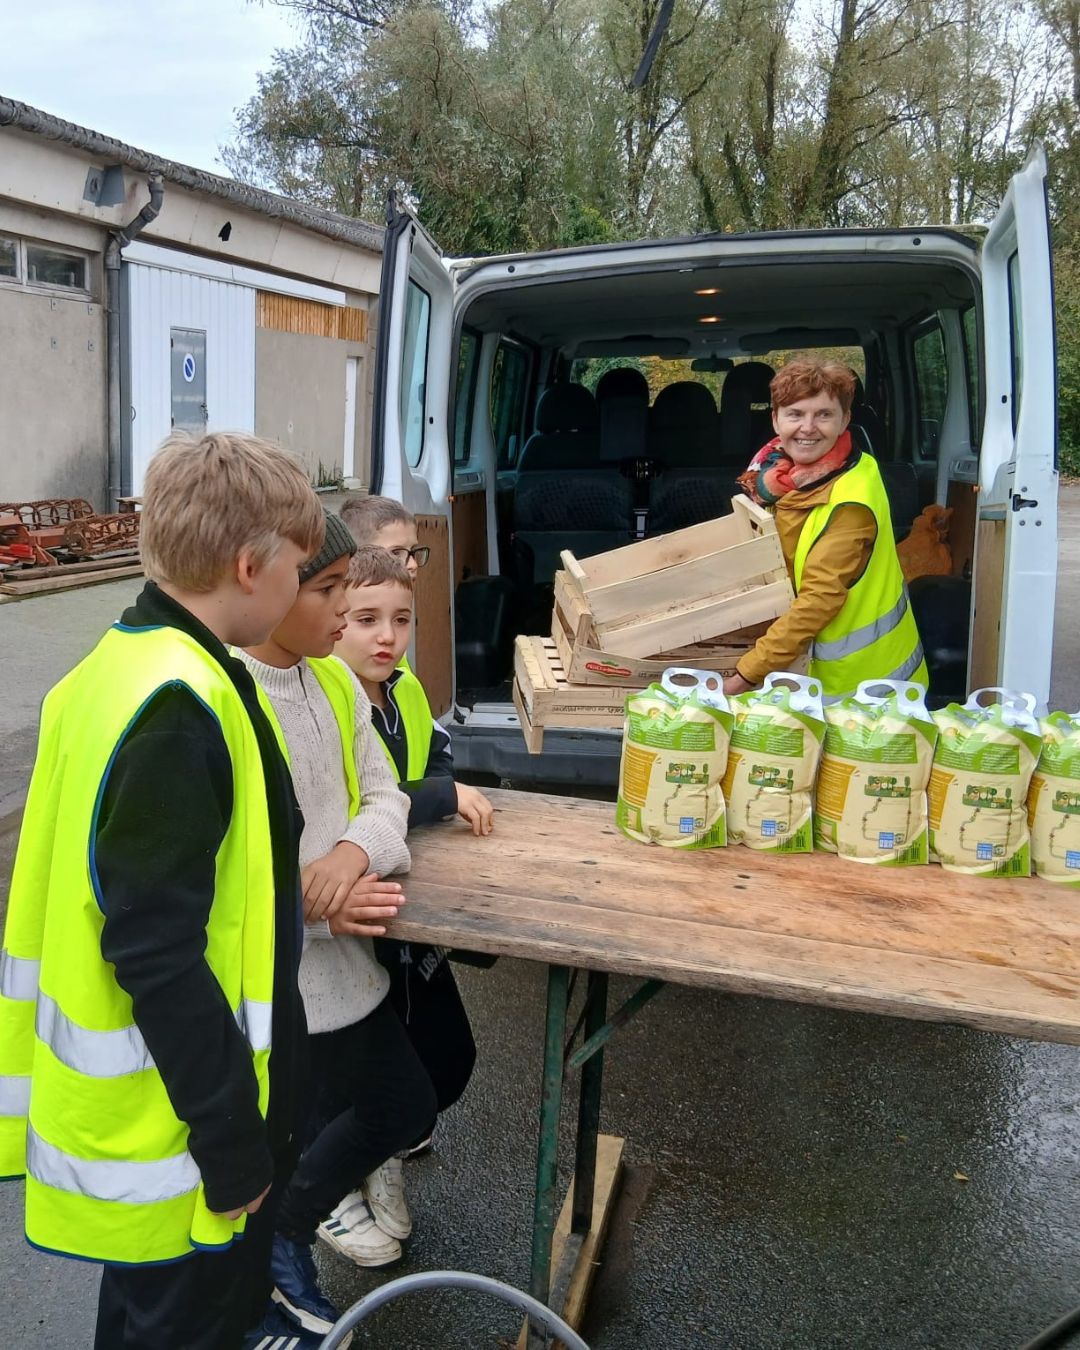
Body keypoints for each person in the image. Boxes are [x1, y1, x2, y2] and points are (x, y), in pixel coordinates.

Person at [0, 432, 325, 1350]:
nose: (303, 589)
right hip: (185, 1130)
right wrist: (235, 1145)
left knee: (145, 1320)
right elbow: (156, 949)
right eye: (300, 568)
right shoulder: (184, 706)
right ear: (250, 563)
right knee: (188, 1323)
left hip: (157, 1115)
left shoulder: (113, 668)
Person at [238, 511, 439, 1340]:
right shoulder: (235, 694)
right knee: (269, 1154)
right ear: (271, 588)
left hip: (348, 977)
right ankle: (271, 1277)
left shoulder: (329, 683)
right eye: (327, 593)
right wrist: (317, 905)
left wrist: (353, 852)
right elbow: (233, 875)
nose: (342, 613)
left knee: (406, 1107)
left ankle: (288, 1228)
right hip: (283, 985)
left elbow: (387, 795)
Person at [335, 544, 489, 1161]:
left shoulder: (407, 692)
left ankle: (383, 1143)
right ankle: (345, 1175)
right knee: (381, 1066)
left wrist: (439, 785)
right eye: (366, 619)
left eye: (401, 620)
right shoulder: (330, 701)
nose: (387, 637)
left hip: (413, 903)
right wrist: (440, 795)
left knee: (450, 1058)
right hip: (355, 914)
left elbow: (434, 758)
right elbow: (367, 803)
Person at [725, 359, 927, 702]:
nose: (808, 427)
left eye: (823, 414)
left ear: (845, 420)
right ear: (775, 419)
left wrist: (742, 678)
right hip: (811, 677)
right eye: (795, 414)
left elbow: (818, 600)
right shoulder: (775, 475)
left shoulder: (850, 499)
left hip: (863, 693)